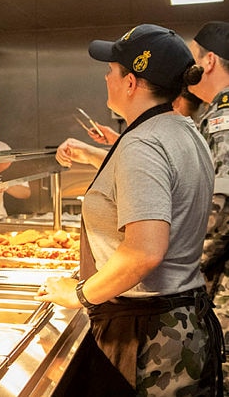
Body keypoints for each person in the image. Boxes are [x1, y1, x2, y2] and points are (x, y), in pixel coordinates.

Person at [47, 24, 223, 395]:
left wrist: (77, 294)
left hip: (148, 334)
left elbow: (144, 252)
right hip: (183, 320)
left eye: (112, 68)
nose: (106, 75)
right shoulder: (184, 130)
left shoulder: (144, 143)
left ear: (131, 83)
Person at [182, 20, 229, 391]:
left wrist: (177, 269)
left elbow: (221, 215)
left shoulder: (223, 119)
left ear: (209, 61)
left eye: (192, 57)